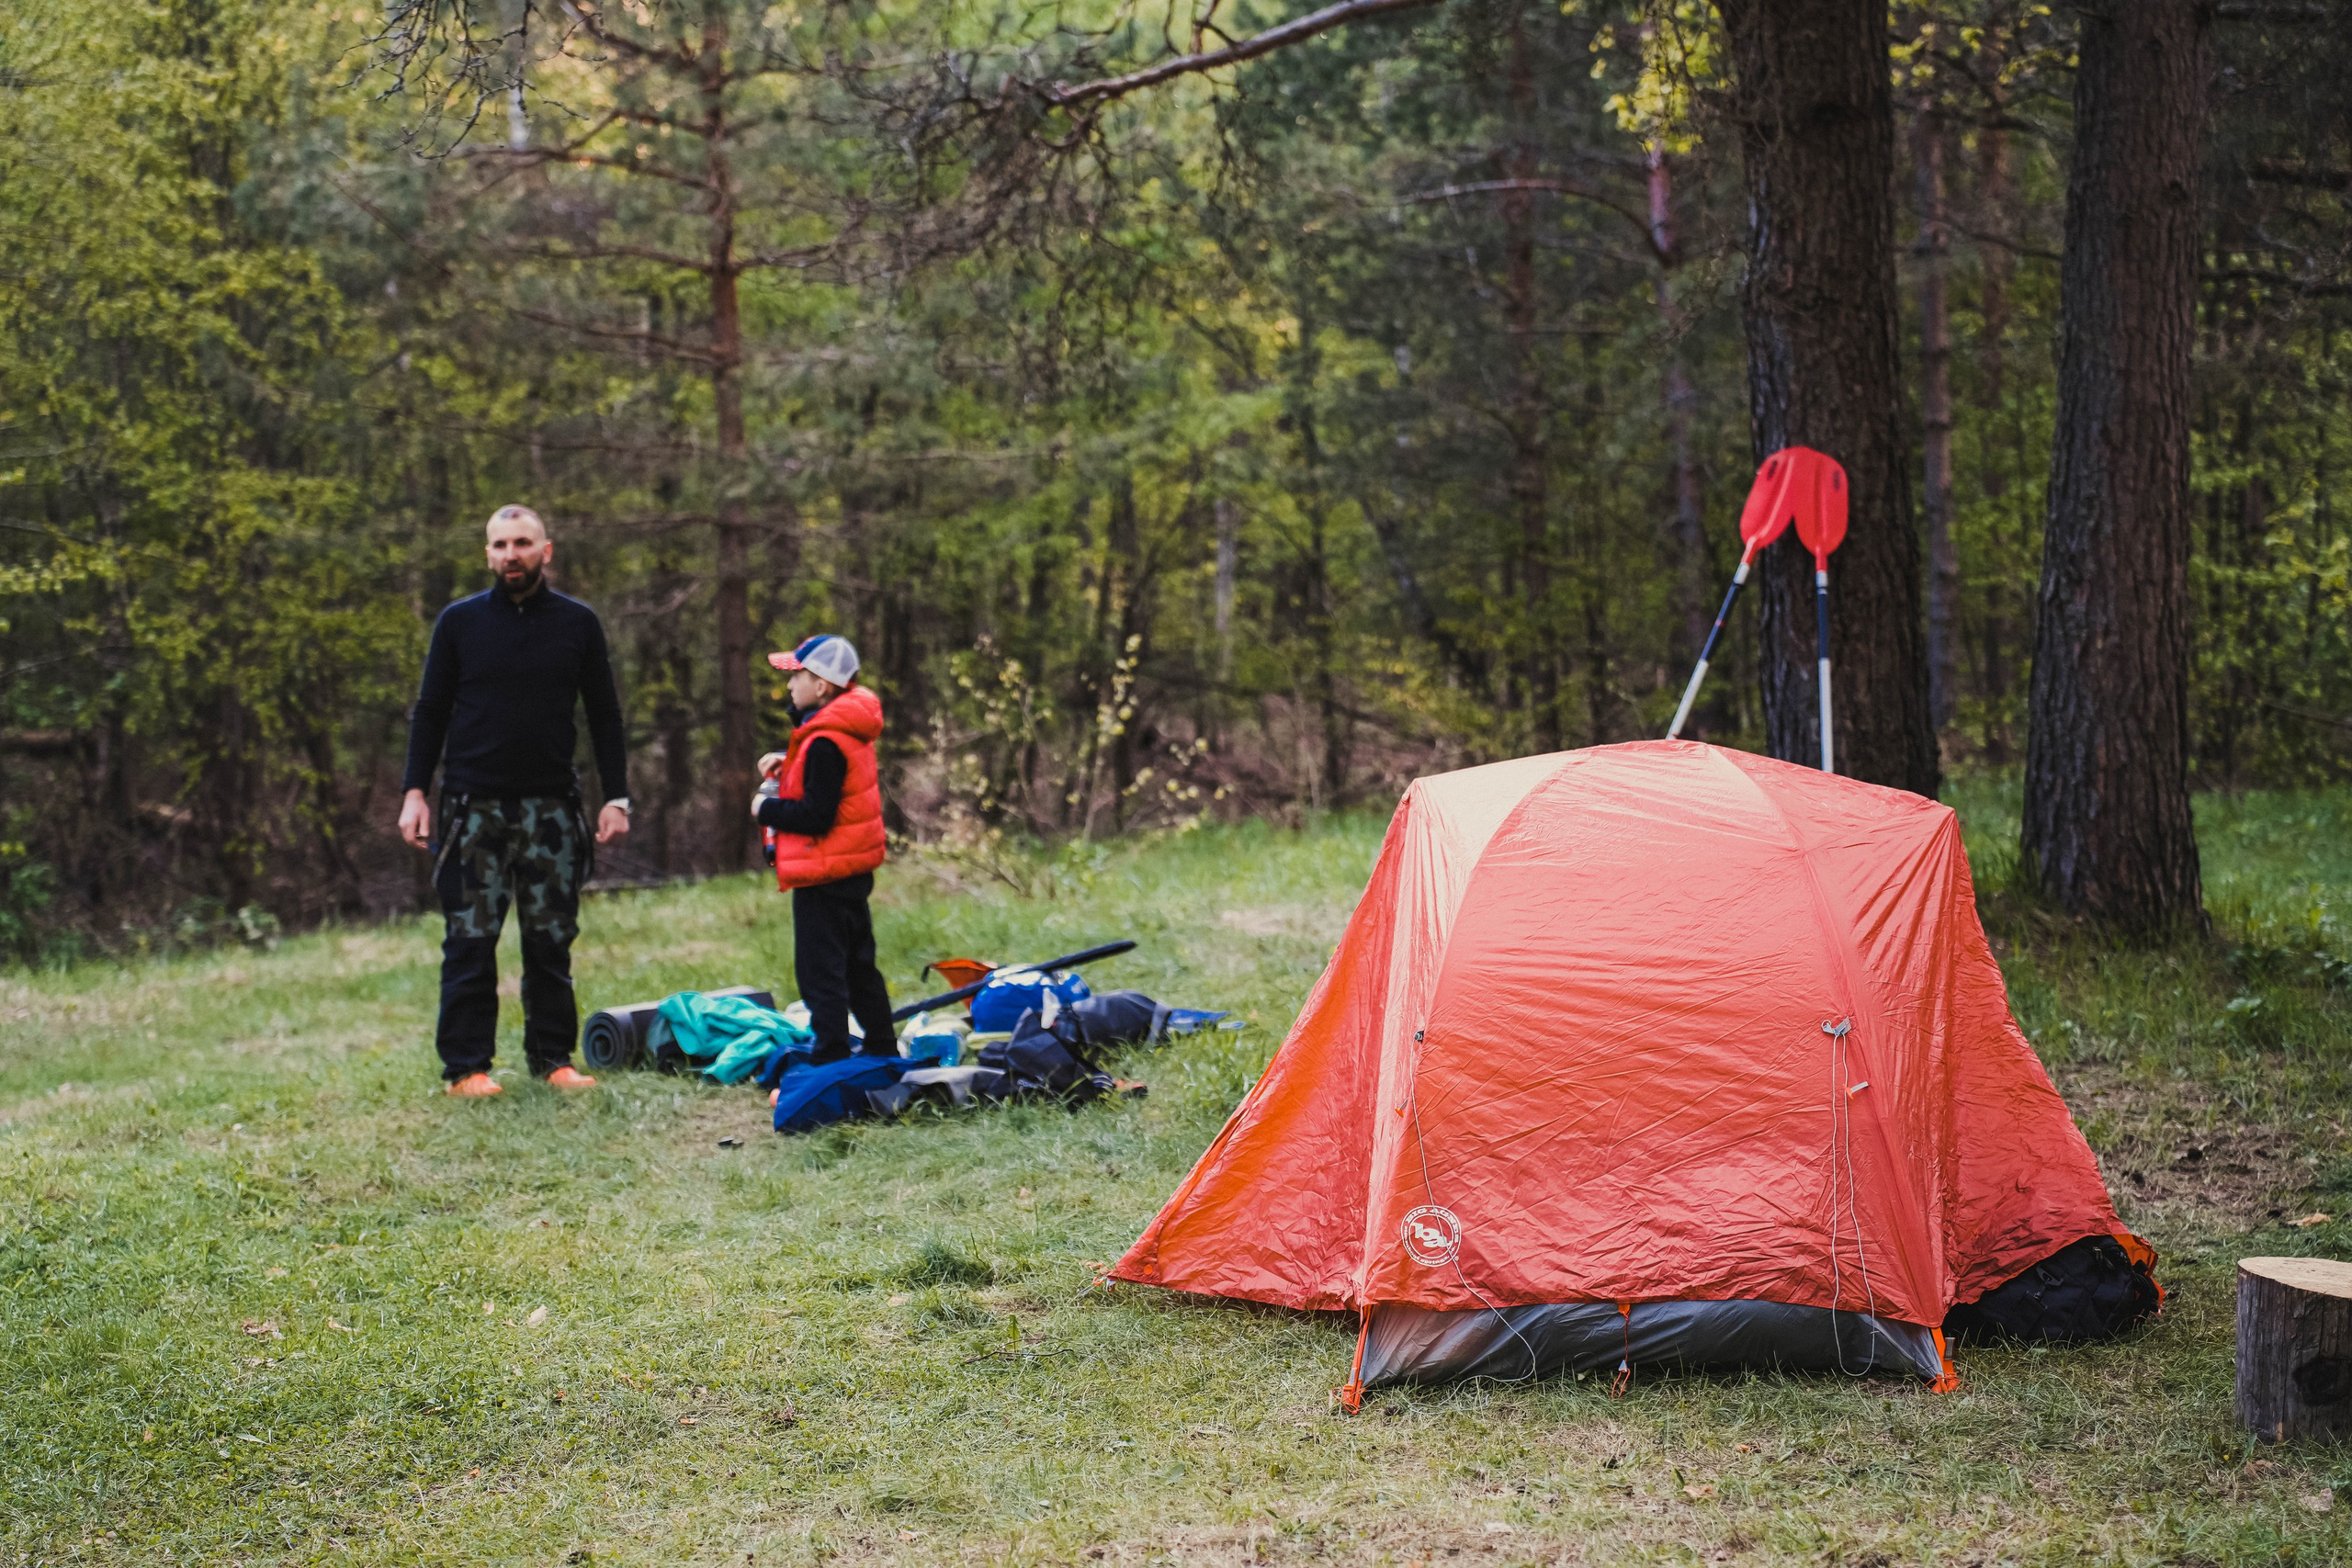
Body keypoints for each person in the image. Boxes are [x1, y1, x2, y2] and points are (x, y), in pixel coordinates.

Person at [398, 504, 632, 1097]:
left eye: (522, 543)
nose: (511, 555)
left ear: (545, 551)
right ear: (487, 555)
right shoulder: (459, 623)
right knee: (470, 941)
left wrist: (617, 797)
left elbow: (604, 715)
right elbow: (430, 711)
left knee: (550, 940)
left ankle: (553, 1059)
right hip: (470, 809)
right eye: (500, 546)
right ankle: (467, 1069)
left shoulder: (578, 623)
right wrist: (414, 792)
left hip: (552, 808)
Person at [753, 634, 895, 1065]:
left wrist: (765, 808)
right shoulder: (845, 731)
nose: (789, 686)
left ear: (822, 686)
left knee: (821, 975)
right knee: (858, 968)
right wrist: (788, 761)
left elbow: (817, 814)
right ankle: (882, 1048)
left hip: (824, 876)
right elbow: (831, 783)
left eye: (796, 676)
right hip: (849, 872)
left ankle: (831, 1057)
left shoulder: (824, 740)